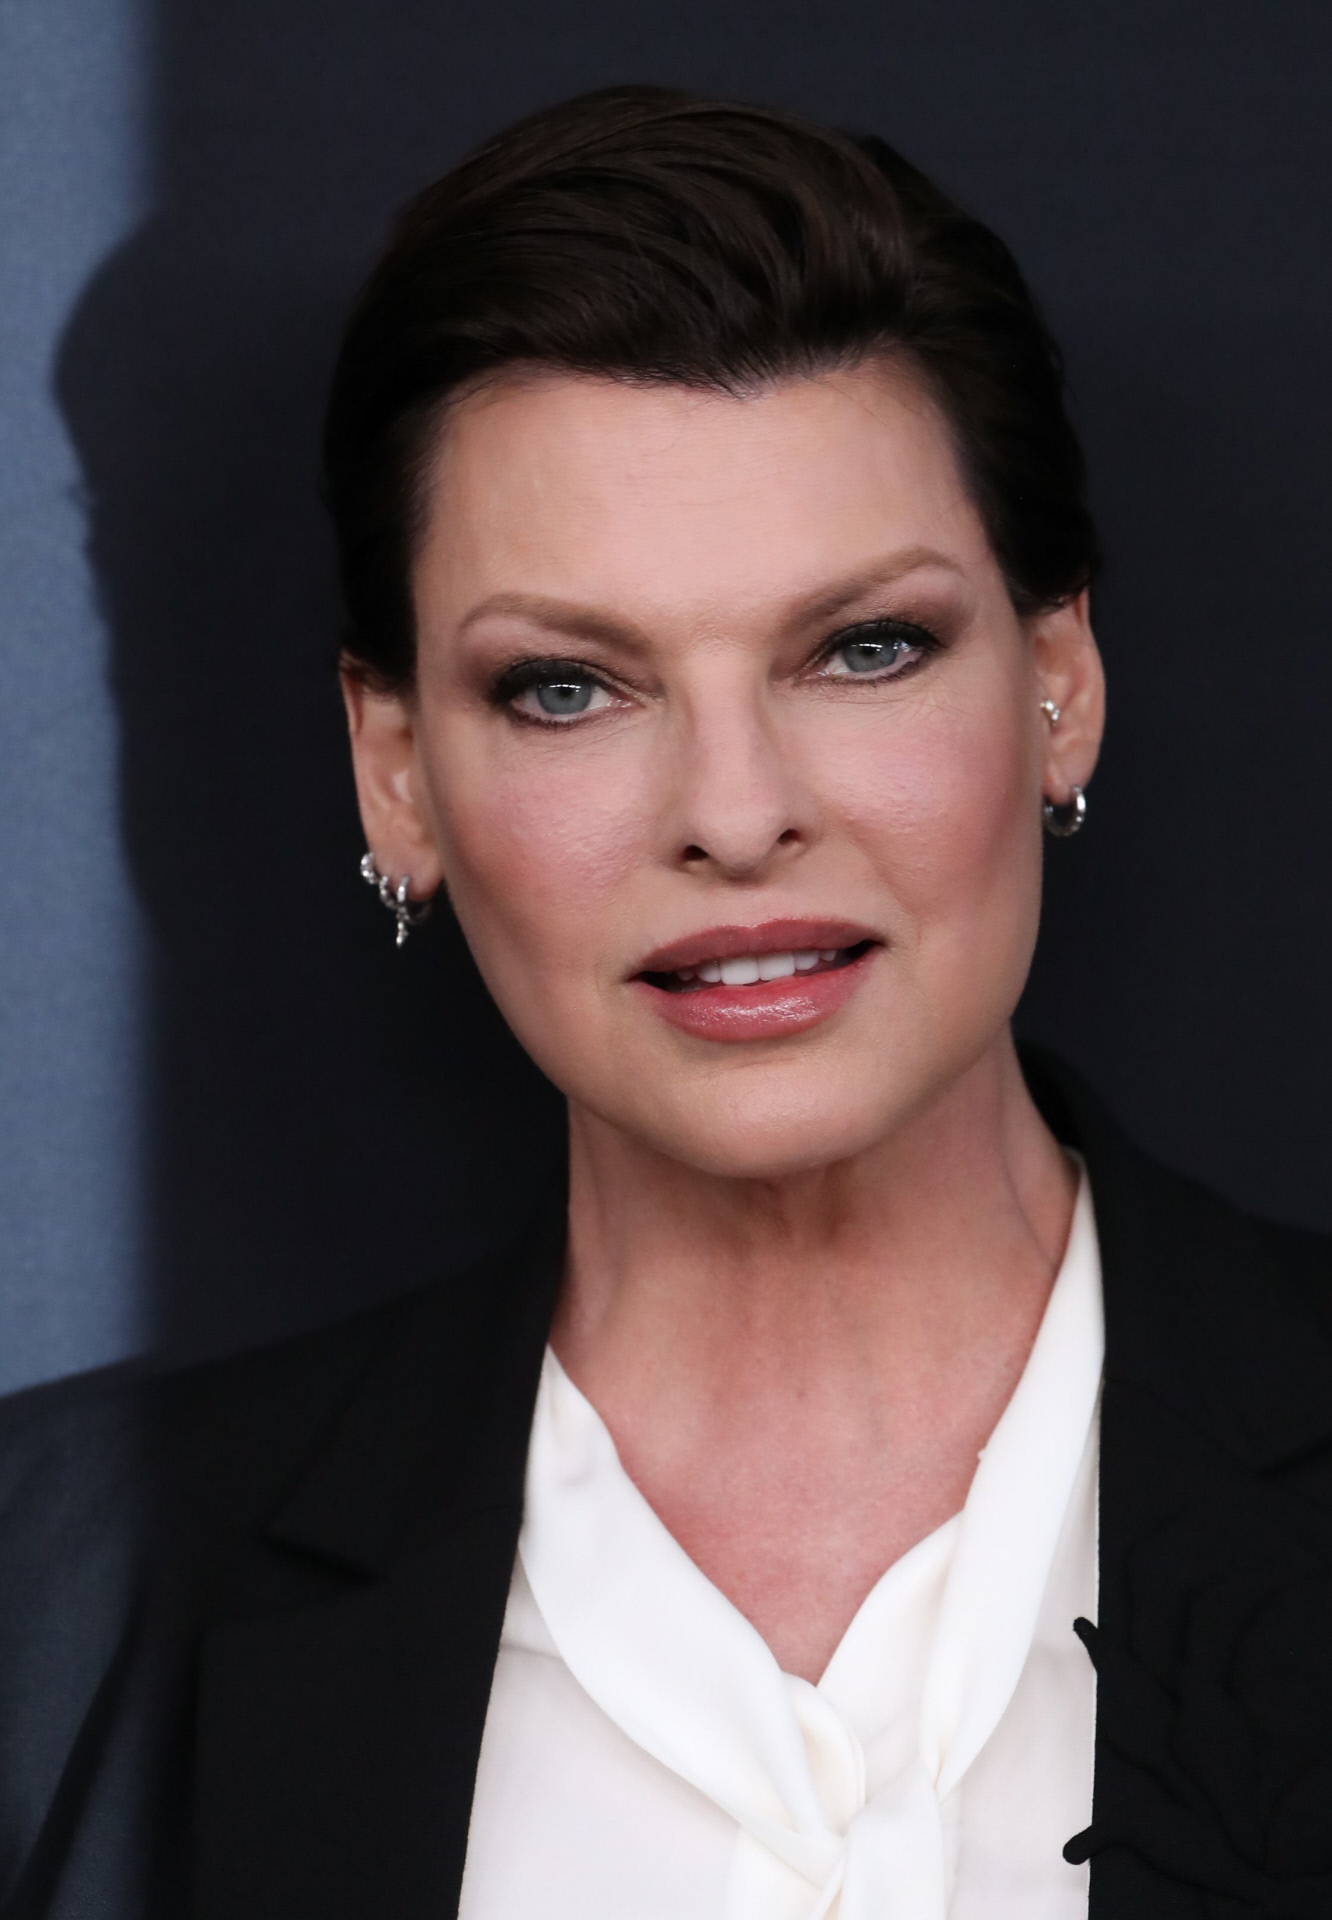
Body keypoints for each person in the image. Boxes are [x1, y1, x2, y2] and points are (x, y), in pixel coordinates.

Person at [1, 85, 1329, 1920]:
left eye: (864, 648)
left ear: (1059, 683)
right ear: (397, 772)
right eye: (568, 686)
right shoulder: (48, 1610)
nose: (734, 811)